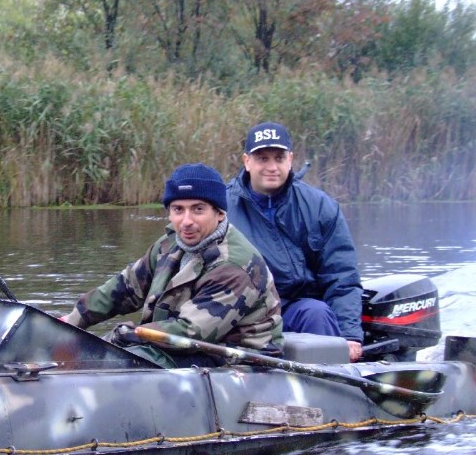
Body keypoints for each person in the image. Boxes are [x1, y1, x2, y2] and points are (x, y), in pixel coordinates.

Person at [61, 163, 283, 367]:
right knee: (96, 351)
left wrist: (133, 333)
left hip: (239, 361)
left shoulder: (234, 265)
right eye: (178, 209)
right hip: (177, 347)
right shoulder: (168, 245)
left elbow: (191, 332)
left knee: (123, 360)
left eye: (198, 209)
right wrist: (71, 321)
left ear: (219, 213)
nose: (186, 221)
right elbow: (125, 288)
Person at [225, 122, 364, 362]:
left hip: (296, 309)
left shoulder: (320, 206)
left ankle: (330, 379)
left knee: (317, 312)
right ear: (247, 161)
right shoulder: (220, 207)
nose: (272, 167)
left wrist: (350, 335)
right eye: (262, 159)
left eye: (279, 158)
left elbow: (342, 276)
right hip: (240, 313)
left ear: (290, 159)